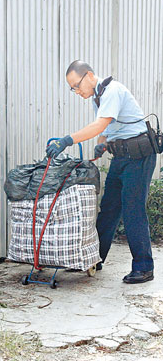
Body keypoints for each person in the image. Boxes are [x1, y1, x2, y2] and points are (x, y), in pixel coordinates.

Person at [46, 60, 157, 284]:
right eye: (72, 89)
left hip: (139, 155)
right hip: (121, 156)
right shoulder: (98, 97)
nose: (76, 92)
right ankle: (94, 258)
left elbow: (98, 124)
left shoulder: (113, 90)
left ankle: (144, 267)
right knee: (108, 208)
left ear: (88, 76)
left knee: (132, 209)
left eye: (76, 86)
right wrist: (102, 143)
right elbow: (104, 128)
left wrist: (67, 140)